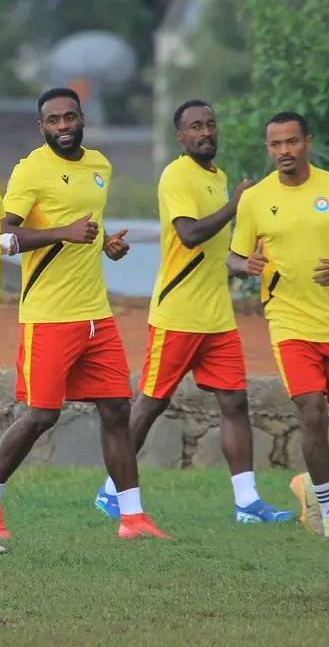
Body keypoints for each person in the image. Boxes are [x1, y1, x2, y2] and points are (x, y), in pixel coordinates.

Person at [0, 87, 170, 542]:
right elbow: (1, 238)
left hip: (96, 314)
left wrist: (107, 245)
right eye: (54, 120)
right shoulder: (31, 170)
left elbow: (88, 229)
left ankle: (132, 518)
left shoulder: (100, 166)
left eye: (69, 117)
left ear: (82, 119)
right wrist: (63, 232)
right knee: (41, 415)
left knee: (117, 409)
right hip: (48, 315)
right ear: (41, 127)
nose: (63, 126)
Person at [95, 100, 292, 524]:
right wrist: (235, 205)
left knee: (234, 401)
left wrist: (245, 262)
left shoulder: (218, 178)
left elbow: (218, 252)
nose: (205, 132)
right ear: (180, 136)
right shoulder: (176, 175)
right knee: (151, 403)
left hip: (217, 315)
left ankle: (247, 503)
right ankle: (112, 490)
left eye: (210, 124)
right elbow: (189, 234)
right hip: (179, 314)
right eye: (196, 127)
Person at [227, 111, 329, 539]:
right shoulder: (256, 198)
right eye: (276, 144)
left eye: (291, 142)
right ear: (268, 148)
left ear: (307, 143)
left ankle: (313, 481)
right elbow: (234, 258)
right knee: (311, 409)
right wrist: (246, 265)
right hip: (289, 321)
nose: (284, 151)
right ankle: (326, 511)